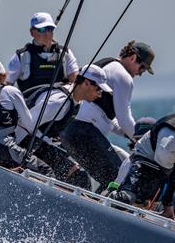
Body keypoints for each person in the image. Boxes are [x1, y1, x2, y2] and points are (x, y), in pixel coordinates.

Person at [61, 41, 155, 192]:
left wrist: (130, 134)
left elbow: (111, 120)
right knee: (119, 177)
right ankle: (96, 211)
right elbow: (125, 121)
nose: (141, 73)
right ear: (132, 58)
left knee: (118, 170)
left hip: (71, 130)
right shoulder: (123, 76)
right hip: (85, 133)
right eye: (142, 67)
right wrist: (144, 143)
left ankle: (93, 204)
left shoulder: (109, 64)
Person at [14, 64, 111, 187]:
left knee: (79, 172)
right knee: (78, 177)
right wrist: (12, 157)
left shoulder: (76, 101)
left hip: (38, 143)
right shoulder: (59, 102)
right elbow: (24, 124)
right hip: (22, 144)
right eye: (98, 89)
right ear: (86, 83)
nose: (100, 95)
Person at [0, 60, 53, 175]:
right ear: (4, 75)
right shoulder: (10, 91)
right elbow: (29, 124)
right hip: (5, 147)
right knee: (46, 170)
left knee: (14, 169)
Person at [6, 12, 79, 91]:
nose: (47, 33)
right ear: (32, 32)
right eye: (42, 29)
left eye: (50, 29)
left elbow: (76, 82)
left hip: (61, 99)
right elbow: (7, 86)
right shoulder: (21, 56)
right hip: (32, 102)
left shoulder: (65, 53)